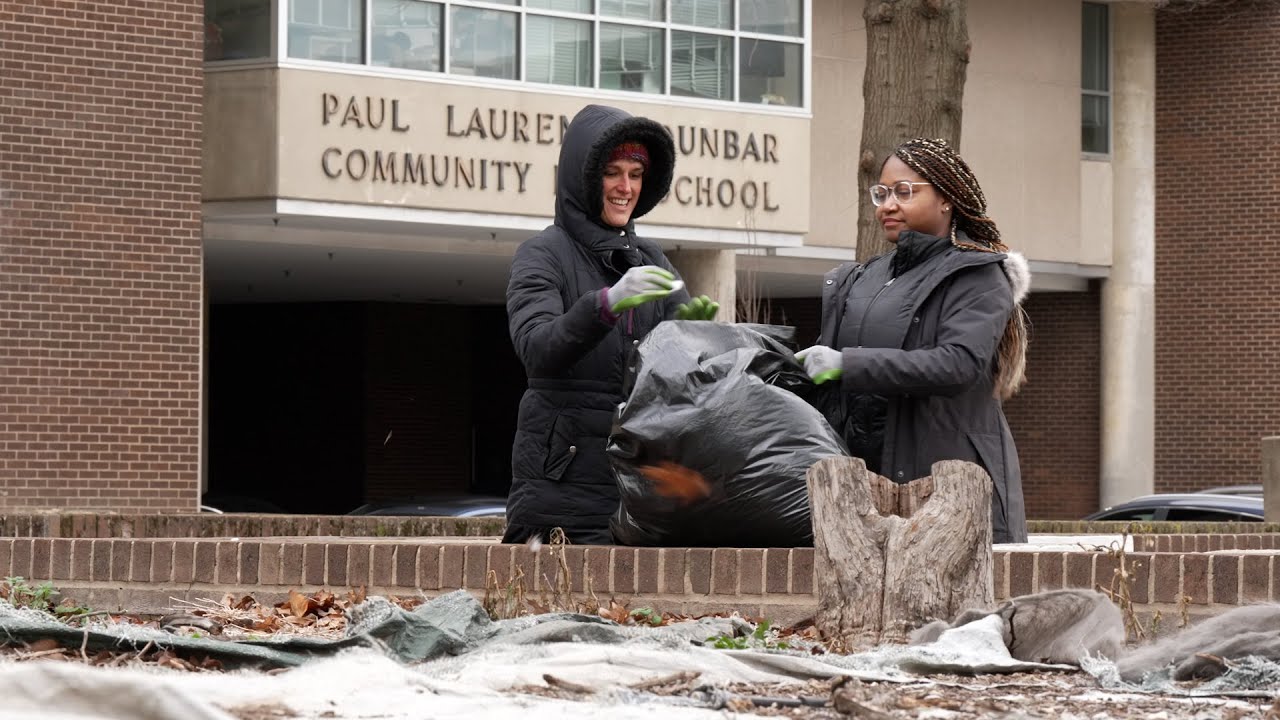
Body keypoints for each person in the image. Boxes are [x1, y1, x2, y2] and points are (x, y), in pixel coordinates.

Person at [796, 137, 1030, 543]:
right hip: (864, 490)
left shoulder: (977, 276)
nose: (887, 205)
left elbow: (957, 365)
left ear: (946, 199)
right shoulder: (863, 278)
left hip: (947, 491)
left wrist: (846, 364)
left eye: (904, 192)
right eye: (882, 193)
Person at [504, 104, 719, 546]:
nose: (626, 188)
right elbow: (538, 348)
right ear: (585, 179)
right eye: (612, 173)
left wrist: (694, 338)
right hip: (561, 492)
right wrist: (605, 305)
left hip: (637, 489)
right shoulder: (543, 254)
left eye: (636, 175)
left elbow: (679, 376)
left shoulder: (651, 258)